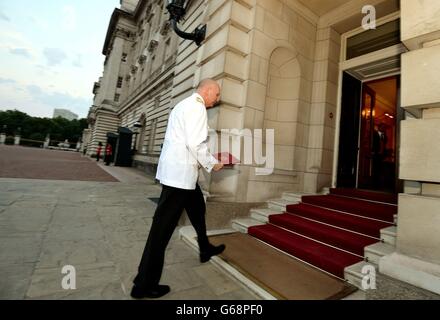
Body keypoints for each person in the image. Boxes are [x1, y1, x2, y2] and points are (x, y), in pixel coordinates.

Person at [131, 79, 225, 299]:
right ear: (208, 90)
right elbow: (195, 143)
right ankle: (143, 284)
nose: (217, 99)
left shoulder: (183, 105)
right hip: (179, 179)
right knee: (160, 232)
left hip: (182, 176)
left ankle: (204, 247)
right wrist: (213, 163)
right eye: (217, 94)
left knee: (197, 208)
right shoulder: (197, 107)